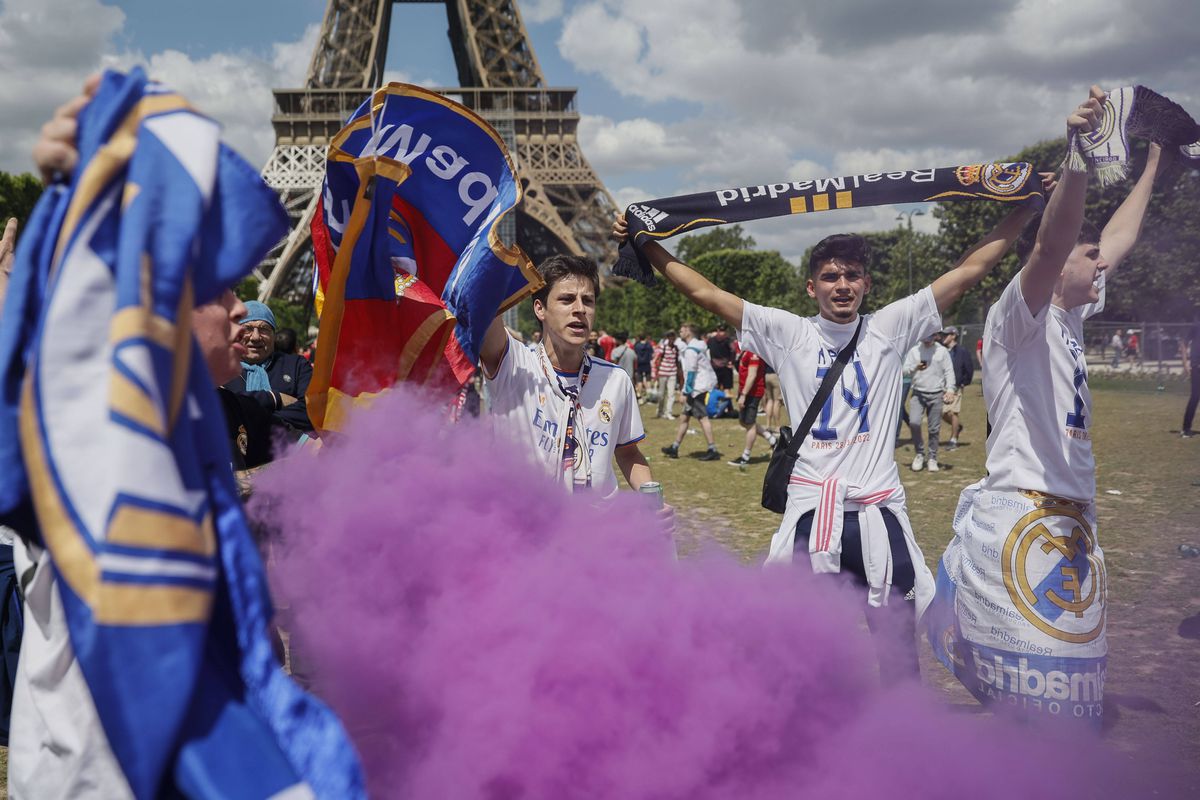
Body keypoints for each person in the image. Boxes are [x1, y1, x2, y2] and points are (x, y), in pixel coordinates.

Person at [615, 167, 1046, 682]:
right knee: (792, 651)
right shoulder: (787, 332)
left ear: (866, 282)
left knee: (899, 655)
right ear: (811, 285)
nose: (842, 286)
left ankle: (903, 744)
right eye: (830, 276)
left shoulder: (891, 326)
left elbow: (970, 269)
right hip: (811, 514)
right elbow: (706, 294)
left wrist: (1029, 207)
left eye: (852, 275)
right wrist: (647, 244)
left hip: (879, 512)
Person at [929, 91, 1167, 722]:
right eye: (1087, 256)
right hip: (1023, 508)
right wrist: (1079, 155)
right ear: (1061, 263)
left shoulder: (1071, 312)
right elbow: (1051, 243)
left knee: (1067, 694)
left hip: (1071, 517)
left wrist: (1153, 165)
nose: (1103, 262)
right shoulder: (1021, 313)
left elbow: (1116, 236)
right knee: (1034, 698)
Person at [479, 255, 667, 504]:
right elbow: (483, 307)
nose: (580, 309)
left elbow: (628, 452)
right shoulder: (514, 365)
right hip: (526, 529)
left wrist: (652, 499)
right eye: (567, 299)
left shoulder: (616, 380)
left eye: (588, 301)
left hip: (595, 529)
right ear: (540, 308)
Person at [223, 301, 315, 435]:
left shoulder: (296, 365)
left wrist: (255, 420)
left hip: (292, 452)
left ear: (273, 336)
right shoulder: (220, 368)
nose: (255, 337)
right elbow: (220, 405)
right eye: (247, 328)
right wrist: (274, 398)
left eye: (264, 329)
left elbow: (311, 410)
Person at [660, 322, 721, 461]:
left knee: (702, 418)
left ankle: (713, 449)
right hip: (700, 386)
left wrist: (685, 392)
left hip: (697, 388)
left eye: (681, 330)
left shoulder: (691, 350)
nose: (679, 332)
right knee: (684, 417)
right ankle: (674, 447)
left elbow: (691, 372)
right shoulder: (696, 346)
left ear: (688, 331)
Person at [902, 333, 956, 471]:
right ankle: (919, 454)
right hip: (918, 393)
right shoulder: (914, 351)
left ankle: (932, 457)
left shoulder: (942, 351)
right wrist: (915, 367)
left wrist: (950, 389)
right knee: (914, 422)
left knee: (934, 428)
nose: (926, 342)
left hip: (936, 393)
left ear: (936, 336)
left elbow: (949, 371)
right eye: (924, 338)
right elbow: (904, 371)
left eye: (929, 338)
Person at [728, 348, 778, 466]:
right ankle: (772, 439)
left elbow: (752, 375)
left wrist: (744, 395)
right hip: (745, 391)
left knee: (749, 424)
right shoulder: (746, 350)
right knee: (744, 421)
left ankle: (745, 457)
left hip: (752, 393)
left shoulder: (754, 352)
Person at [940, 326, 974, 450]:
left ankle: (953, 440)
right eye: (943, 335)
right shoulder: (942, 350)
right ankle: (957, 427)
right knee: (942, 413)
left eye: (946, 335)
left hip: (956, 387)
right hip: (943, 387)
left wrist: (964, 382)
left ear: (953, 335)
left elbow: (969, 369)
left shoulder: (962, 351)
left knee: (953, 412)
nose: (943, 337)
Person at [653, 330, 679, 419]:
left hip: (672, 373)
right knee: (661, 394)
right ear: (667, 338)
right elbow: (658, 359)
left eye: (673, 338)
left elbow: (677, 361)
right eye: (670, 338)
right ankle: (660, 411)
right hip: (663, 373)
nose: (672, 339)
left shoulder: (676, 348)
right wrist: (656, 372)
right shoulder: (663, 347)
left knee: (671, 394)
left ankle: (669, 412)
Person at [1182, 313, 1199, 438]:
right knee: (1195, 397)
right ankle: (1186, 428)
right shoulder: (1196, 324)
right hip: (1197, 367)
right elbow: (1184, 343)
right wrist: (1185, 363)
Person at [707, 323, 736, 390]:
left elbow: (707, 351)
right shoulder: (728, 340)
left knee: (715, 387)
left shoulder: (711, 340)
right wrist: (731, 361)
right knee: (726, 388)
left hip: (714, 365)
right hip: (725, 365)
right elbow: (733, 350)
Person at [633, 332, 655, 401]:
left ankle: (640, 397)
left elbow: (635, 354)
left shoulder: (637, 346)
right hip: (647, 364)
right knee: (648, 380)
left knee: (639, 381)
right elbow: (652, 354)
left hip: (639, 364)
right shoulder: (649, 345)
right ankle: (648, 396)